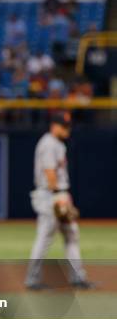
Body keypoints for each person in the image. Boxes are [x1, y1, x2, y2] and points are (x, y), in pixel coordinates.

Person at [25, 113, 93, 290]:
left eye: (68, 126)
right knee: (45, 238)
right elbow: (50, 173)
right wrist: (59, 198)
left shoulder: (57, 144)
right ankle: (32, 279)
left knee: (71, 235)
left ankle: (77, 277)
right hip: (50, 196)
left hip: (58, 194)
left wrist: (63, 196)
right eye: (64, 126)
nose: (67, 129)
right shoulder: (49, 144)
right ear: (54, 126)